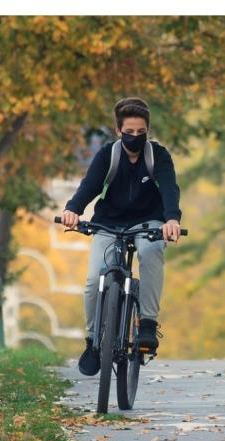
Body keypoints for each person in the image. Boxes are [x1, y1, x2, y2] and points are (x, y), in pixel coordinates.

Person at [61, 97, 182, 376]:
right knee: (94, 280)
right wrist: (72, 210)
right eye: (129, 132)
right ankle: (92, 342)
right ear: (119, 130)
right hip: (109, 223)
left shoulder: (158, 156)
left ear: (147, 131)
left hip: (148, 221)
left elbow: (169, 188)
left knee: (151, 252)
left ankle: (148, 324)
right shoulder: (108, 155)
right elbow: (89, 186)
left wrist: (172, 218)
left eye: (141, 132)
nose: (135, 137)